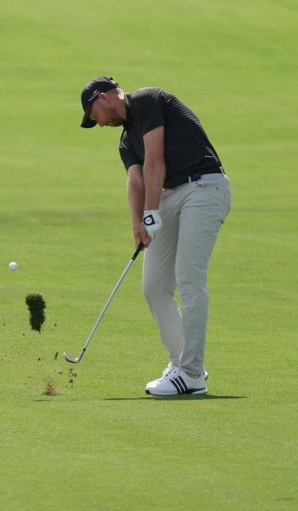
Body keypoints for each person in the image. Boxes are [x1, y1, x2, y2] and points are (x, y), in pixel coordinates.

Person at [79, 76, 231, 396]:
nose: (99, 123)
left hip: (204, 187)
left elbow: (155, 159)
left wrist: (151, 213)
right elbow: (136, 179)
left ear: (105, 97)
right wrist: (138, 222)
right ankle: (182, 364)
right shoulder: (124, 141)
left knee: (189, 278)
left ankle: (191, 374)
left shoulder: (147, 100)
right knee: (154, 285)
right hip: (171, 196)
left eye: (95, 115)